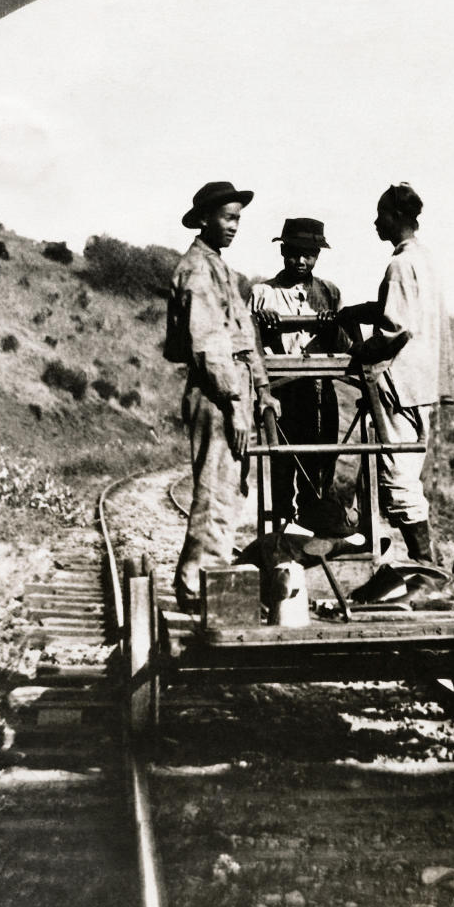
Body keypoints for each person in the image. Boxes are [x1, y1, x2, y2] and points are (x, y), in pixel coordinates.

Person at [165, 181, 280, 610]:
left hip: (234, 389)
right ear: (203, 219)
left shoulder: (223, 271)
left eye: (238, 219)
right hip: (216, 394)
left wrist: (263, 391)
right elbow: (209, 344)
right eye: (227, 218)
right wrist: (235, 404)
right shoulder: (197, 270)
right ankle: (198, 588)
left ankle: (205, 581)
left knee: (228, 490)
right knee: (215, 490)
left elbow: (244, 338)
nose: (234, 226)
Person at [339, 182, 454, 562]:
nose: (376, 222)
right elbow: (403, 310)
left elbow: (395, 329)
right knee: (404, 472)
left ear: (397, 217)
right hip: (422, 385)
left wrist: (359, 351)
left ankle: (426, 566)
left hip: (399, 385)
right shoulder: (425, 259)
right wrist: (359, 311)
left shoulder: (400, 264)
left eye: (380, 215)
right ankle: (415, 560)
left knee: (398, 478)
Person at [248, 218, 346, 529]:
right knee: (282, 465)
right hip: (282, 390)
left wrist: (333, 326)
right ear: (283, 252)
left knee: (321, 463)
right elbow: (247, 346)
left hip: (320, 389)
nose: (301, 261)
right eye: (294, 253)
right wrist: (262, 326)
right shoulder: (263, 293)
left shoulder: (329, 292)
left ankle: (317, 530)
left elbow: (345, 345)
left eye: (309, 254)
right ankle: (282, 531)